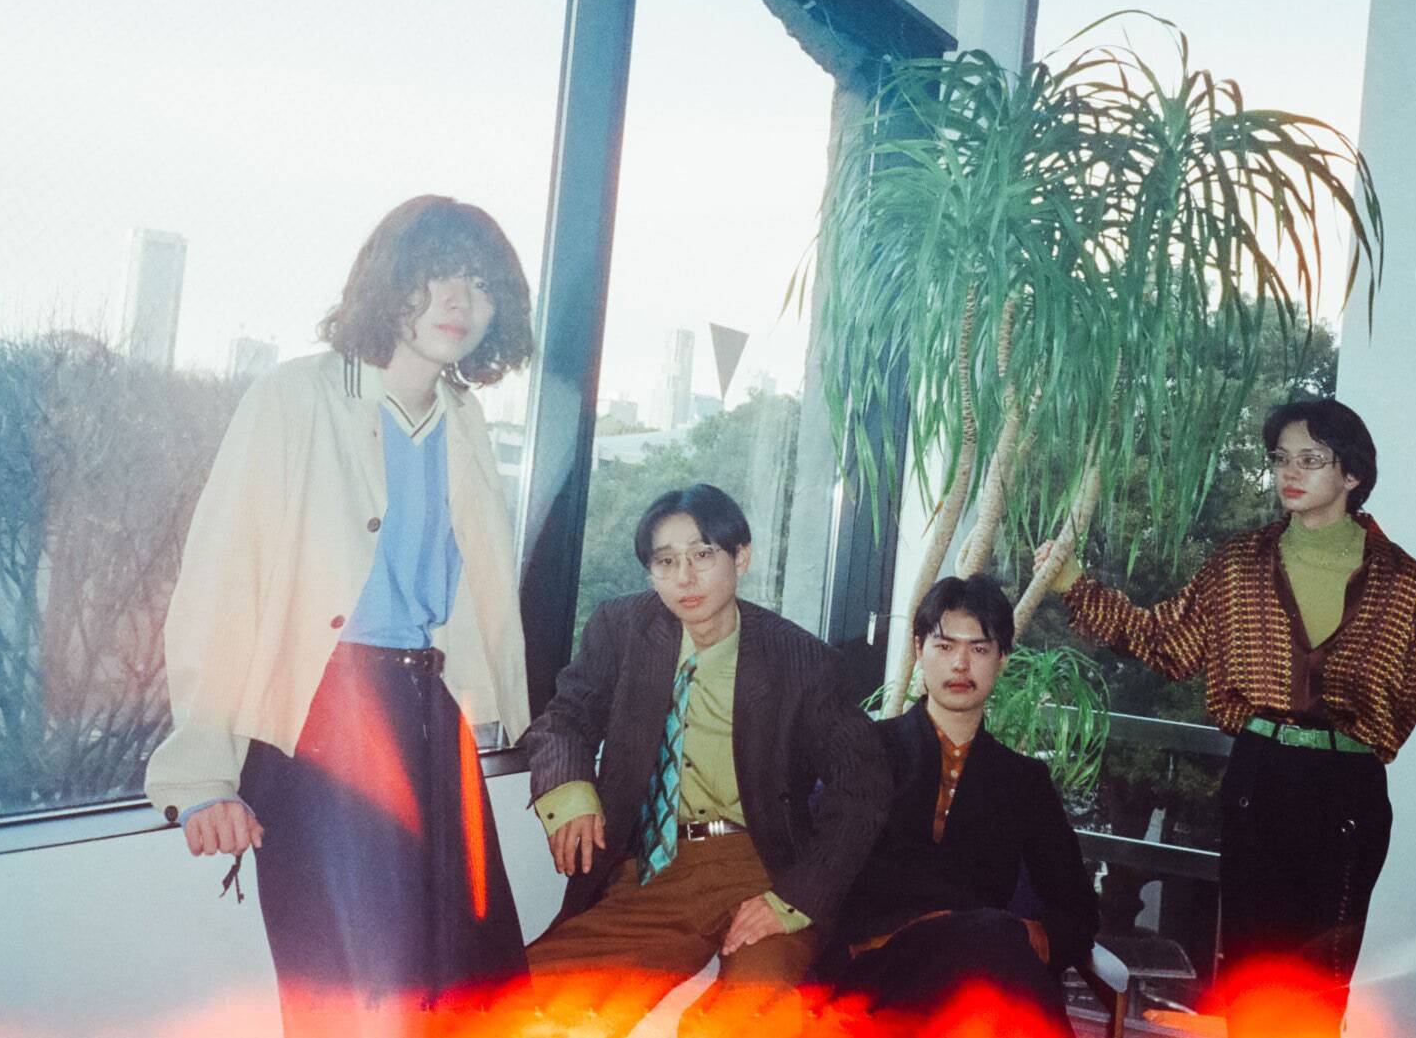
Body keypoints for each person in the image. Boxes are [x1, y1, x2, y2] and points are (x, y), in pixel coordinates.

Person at [145, 195, 537, 1033]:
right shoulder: (296, 395)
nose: (458, 301)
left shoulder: (464, 419)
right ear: (389, 283)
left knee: (474, 988)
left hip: (430, 714)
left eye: (479, 283)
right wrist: (203, 774)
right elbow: (220, 585)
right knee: (364, 996)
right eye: (435, 276)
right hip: (326, 722)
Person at [1034, 398, 1416, 1033]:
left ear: (1353, 474)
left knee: (1323, 977)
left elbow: (1408, 692)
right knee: (1252, 970)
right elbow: (1169, 641)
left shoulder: (1400, 578)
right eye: (1280, 458)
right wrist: (1075, 586)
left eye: (1311, 459)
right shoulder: (1239, 563)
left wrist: (1345, 744)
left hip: (1348, 793)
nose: (1289, 472)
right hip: (1260, 776)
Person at [522, 483, 890, 1034]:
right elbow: (565, 719)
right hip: (656, 866)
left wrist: (794, 900)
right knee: (526, 994)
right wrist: (571, 792)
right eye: (665, 561)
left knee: (747, 1019)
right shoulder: (622, 629)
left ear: (741, 557)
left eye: (702, 555)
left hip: (761, 863)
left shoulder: (801, 660)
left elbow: (864, 785)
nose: (684, 578)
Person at [814, 574, 1099, 1035]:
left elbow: (1078, 909)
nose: (961, 664)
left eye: (979, 649)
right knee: (999, 947)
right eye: (945, 646)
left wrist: (1036, 936)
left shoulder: (1023, 781)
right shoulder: (867, 752)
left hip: (979, 971)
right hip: (877, 969)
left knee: (995, 945)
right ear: (918, 649)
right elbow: (815, 871)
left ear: (1003, 659)